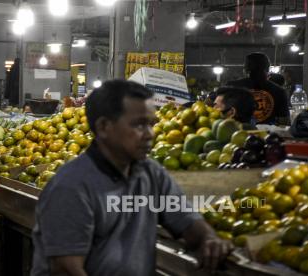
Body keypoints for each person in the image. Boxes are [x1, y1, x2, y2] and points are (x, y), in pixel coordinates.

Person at [32, 80, 233, 276]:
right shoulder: (71, 186)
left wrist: (209, 239)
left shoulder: (151, 174)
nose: (150, 134)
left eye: (151, 124)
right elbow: (66, 269)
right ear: (103, 127)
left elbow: (189, 223)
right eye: (139, 125)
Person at [227, 52, 290, 125]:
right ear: (268, 68)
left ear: (245, 69)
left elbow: (221, 112)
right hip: (267, 134)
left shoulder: (231, 86)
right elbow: (284, 121)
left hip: (237, 133)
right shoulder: (279, 91)